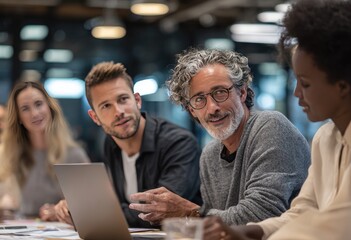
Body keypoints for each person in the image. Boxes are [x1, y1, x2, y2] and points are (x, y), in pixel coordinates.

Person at [201, 0, 351, 239]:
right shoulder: (326, 138)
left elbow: (338, 226)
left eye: (307, 83)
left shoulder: (271, 126)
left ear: (342, 85)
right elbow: (302, 212)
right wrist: (247, 232)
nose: (297, 93)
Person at [128, 48, 310, 226]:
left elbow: (260, 216)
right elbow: (216, 230)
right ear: (192, 110)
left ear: (242, 92)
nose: (212, 107)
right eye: (199, 99)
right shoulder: (210, 155)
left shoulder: (270, 126)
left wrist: (188, 212)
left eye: (220, 92)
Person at [55, 62, 202, 228]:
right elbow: (118, 203)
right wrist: (75, 207)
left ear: (137, 100)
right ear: (95, 117)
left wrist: (87, 213)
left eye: (123, 99)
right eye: (106, 106)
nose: (118, 112)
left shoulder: (179, 143)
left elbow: (157, 212)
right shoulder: (110, 143)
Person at [0, 80, 90, 220]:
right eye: (25, 108)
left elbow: (91, 207)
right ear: (19, 118)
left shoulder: (74, 155)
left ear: (49, 107)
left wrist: (63, 211)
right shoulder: (6, 155)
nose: (35, 113)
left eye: (38, 104)